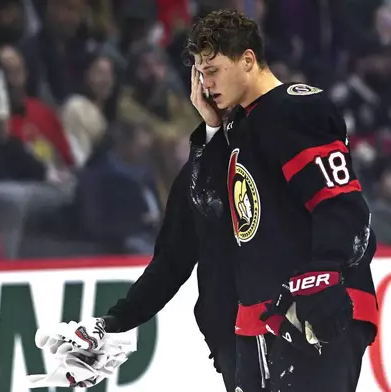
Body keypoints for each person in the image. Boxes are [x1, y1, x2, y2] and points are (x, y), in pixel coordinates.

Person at [185, 9, 379, 392]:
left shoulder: (295, 108)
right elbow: (210, 209)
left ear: (247, 60)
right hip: (259, 316)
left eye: (214, 70)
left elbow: (339, 200)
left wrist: (325, 273)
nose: (206, 84)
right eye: (200, 73)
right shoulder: (236, 126)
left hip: (312, 306)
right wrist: (209, 129)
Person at [35, 113, 239, 390]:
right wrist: (114, 321)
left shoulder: (279, 156)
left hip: (288, 325)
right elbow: (170, 262)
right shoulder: (193, 177)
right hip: (231, 334)